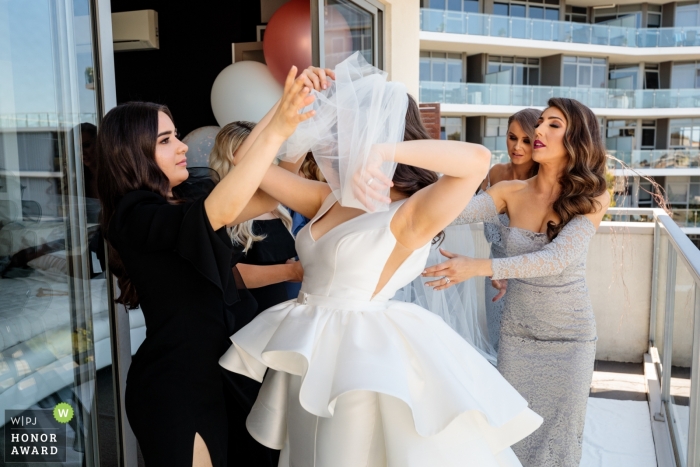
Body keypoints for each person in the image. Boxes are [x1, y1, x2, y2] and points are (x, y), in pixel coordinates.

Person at [220, 55, 542, 466]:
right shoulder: (328, 198)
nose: (334, 135)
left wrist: (383, 151)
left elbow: (476, 160)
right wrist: (285, 106)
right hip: (309, 348)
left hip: (360, 358)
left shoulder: (411, 211)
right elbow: (246, 160)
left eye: (347, 125)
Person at [95, 68, 314, 467]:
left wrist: (285, 111)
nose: (182, 146)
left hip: (216, 378)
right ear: (132, 152)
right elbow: (226, 208)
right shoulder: (133, 214)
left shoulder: (183, 199)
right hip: (174, 389)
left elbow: (265, 199)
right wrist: (280, 124)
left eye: (176, 135)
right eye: (166, 140)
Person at [423, 97, 610, 466]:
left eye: (553, 125)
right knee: (511, 436)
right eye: (540, 121)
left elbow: (554, 260)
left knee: (559, 444)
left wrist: (479, 267)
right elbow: (451, 212)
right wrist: (403, 193)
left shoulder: (594, 197)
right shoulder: (509, 192)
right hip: (517, 336)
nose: (538, 130)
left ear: (577, 138)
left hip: (569, 341)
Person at [480, 108, 540, 353]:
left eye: (526, 141)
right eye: (512, 137)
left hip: (526, 277)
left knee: (523, 349)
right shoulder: (496, 173)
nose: (517, 147)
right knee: (497, 343)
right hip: (492, 272)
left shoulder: (540, 185)